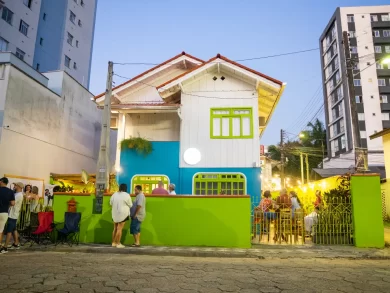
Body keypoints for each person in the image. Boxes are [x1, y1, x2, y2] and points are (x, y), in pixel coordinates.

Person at [2, 182, 24, 253]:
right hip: (13, 214)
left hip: (12, 214)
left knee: (9, 230)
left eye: (15, 185)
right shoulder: (16, 194)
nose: (14, 186)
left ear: (19, 186)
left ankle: (5, 247)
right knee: (14, 229)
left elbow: (12, 203)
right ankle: (16, 243)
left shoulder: (19, 195)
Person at [110, 184, 133, 248]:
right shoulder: (127, 195)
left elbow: (110, 203)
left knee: (115, 228)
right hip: (123, 214)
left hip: (114, 213)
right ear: (126, 188)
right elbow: (130, 205)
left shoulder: (114, 194)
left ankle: (113, 242)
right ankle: (118, 243)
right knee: (119, 229)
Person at [0, 177, 15, 251]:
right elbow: (12, 203)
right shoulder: (10, 191)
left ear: (1, 182)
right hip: (4, 212)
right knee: (0, 230)